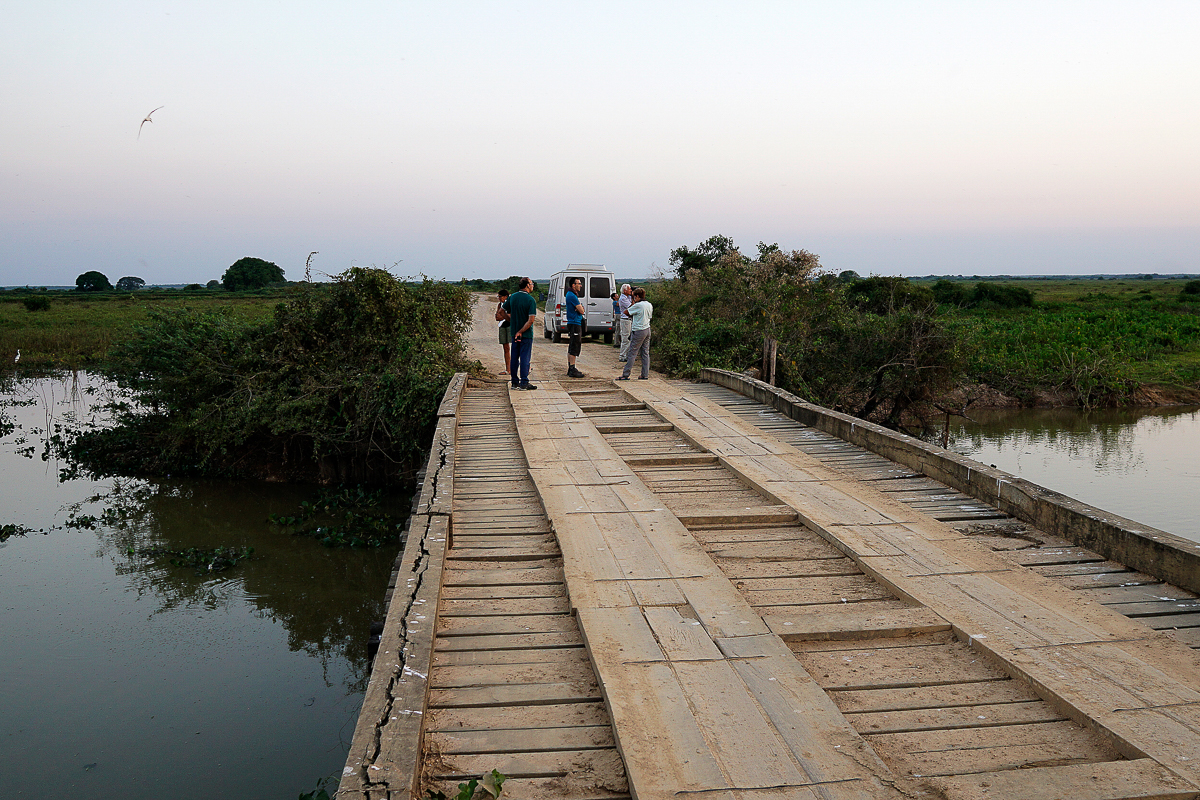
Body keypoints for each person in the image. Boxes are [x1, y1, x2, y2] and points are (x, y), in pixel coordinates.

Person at [502, 278, 538, 390]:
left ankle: (514, 382)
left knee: (514, 357)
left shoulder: (512, 297)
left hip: (514, 333)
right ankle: (524, 382)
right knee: (525, 358)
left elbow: (501, 311)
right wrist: (521, 331)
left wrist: (511, 322)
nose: (532, 286)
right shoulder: (530, 300)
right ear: (527, 285)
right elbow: (531, 320)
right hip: (525, 334)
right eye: (531, 284)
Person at [617, 287, 652, 380]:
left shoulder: (638, 305)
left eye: (633, 297)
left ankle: (626, 374)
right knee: (645, 353)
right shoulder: (649, 304)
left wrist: (632, 303)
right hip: (647, 329)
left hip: (638, 330)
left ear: (637, 296)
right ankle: (645, 374)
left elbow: (626, 312)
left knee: (632, 353)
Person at [564, 277, 586, 378]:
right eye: (579, 283)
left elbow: (580, 309)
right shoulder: (572, 296)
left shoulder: (571, 294)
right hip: (574, 323)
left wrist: (580, 308)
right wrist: (580, 308)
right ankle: (572, 369)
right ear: (573, 285)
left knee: (572, 345)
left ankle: (571, 368)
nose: (580, 285)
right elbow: (581, 310)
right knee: (575, 345)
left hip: (573, 322)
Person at [495, 289, 511, 373]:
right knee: (506, 348)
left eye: (500, 296)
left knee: (516, 347)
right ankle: (508, 369)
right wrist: (506, 316)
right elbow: (497, 317)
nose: (499, 298)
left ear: (505, 297)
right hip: (503, 326)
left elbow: (512, 315)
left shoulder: (511, 304)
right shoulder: (499, 305)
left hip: (511, 326)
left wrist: (502, 315)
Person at [617, 283, 633, 362]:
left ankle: (627, 355)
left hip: (628, 320)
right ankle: (623, 355)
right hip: (625, 319)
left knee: (629, 338)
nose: (630, 290)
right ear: (625, 290)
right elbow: (631, 307)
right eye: (629, 289)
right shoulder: (623, 298)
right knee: (626, 338)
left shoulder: (628, 297)